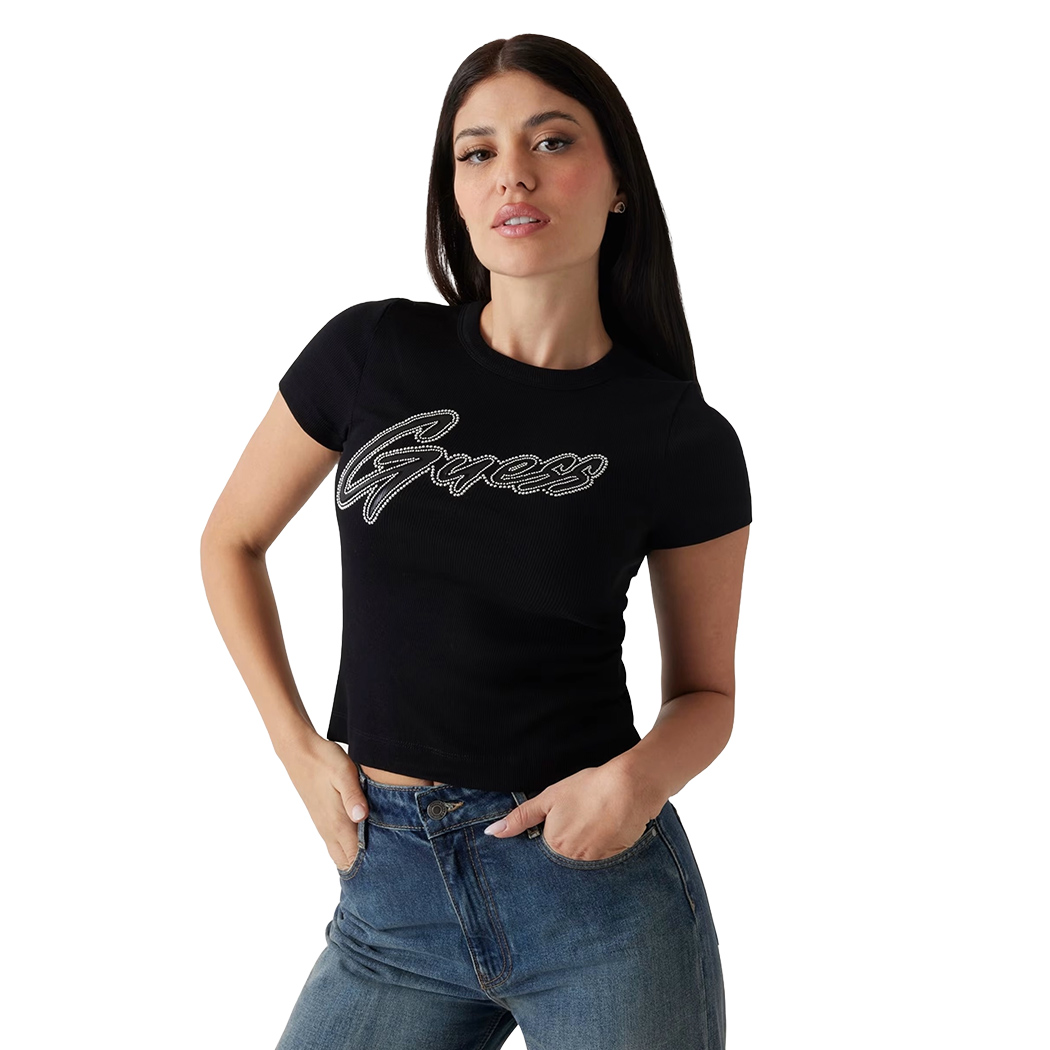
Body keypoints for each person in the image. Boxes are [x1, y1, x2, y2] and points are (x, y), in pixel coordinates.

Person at [201, 32, 751, 1050]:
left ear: (620, 183)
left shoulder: (680, 436)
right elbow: (230, 540)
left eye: (552, 140)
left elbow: (706, 698)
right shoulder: (372, 352)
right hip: (391, 898)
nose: (513, 175)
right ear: (453, 191)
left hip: (596, 899)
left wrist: (631, 785)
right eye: (478, 151)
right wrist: (297, 748)